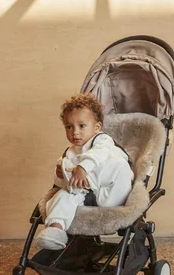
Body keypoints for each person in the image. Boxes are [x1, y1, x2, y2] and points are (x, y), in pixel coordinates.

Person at [34, 93, 134, 250]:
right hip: (85, 194)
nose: (75, 132)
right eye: (69, 127)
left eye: (82, 126)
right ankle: (55, 230)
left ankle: (76, 177)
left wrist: (82, 168)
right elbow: (62, 184)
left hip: (111, 193)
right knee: (62, 195)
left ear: (97, 127)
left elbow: (99, 154)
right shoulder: (70, 153)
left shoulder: (103, 140)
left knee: (120, 165)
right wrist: (60, 176)